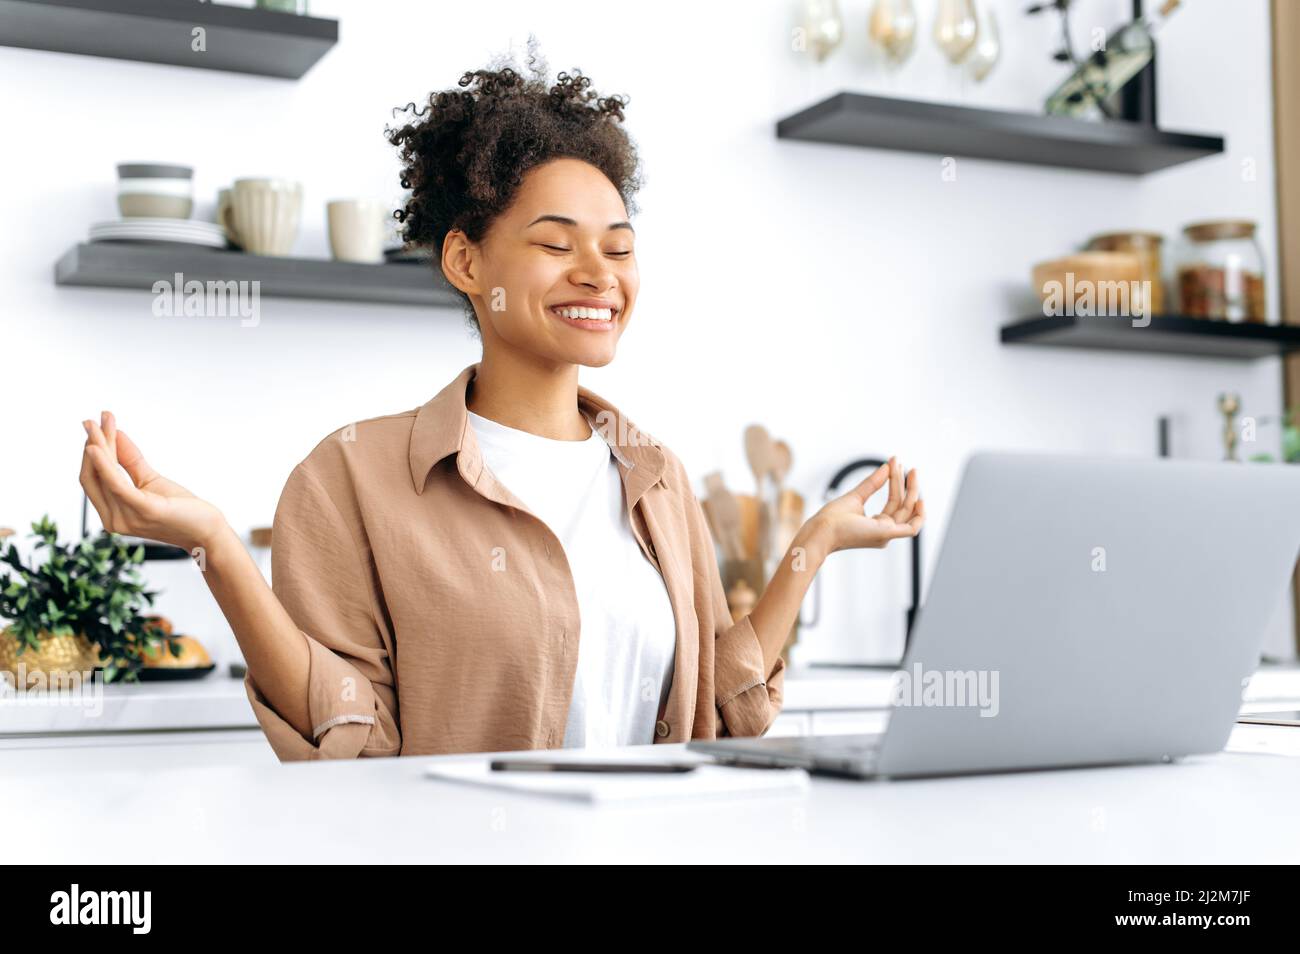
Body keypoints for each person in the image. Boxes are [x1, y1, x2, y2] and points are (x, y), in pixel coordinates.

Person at [78, 57, 923, 761]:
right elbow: (348, 736)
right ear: (465, 261)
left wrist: (816, 544)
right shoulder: (351, 478)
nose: (600, 273)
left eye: (619, 248)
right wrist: (216, 545)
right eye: (556, 244)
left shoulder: (655, 477)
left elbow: (724, 704)